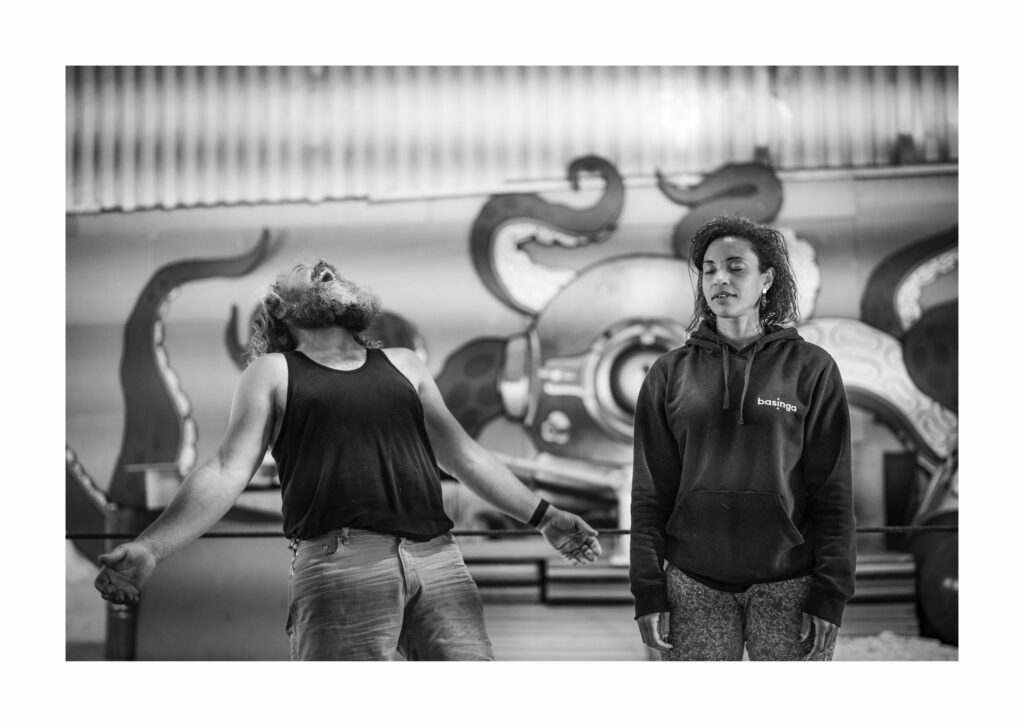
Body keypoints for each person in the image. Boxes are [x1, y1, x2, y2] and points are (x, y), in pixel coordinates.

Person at [95, 259, 602, 660]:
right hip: (341, 563)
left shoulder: (404, 364)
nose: (321, 265)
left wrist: (545, 517)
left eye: (324, 264)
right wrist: (150, 549)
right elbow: (227, 469)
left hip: (438, 559)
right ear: (280, 308)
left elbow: (464, 455)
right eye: (302, 270)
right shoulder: (273, 372)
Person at [629, 215, 855, 661]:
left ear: (766, 279)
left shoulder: (811, 368)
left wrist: (831, 593)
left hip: (791, 581)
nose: (720, 279)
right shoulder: (669, 374)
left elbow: (834, 491)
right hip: (693, 583)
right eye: (709, 269)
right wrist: (648, 589)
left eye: (736, 267)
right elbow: (650, 493)